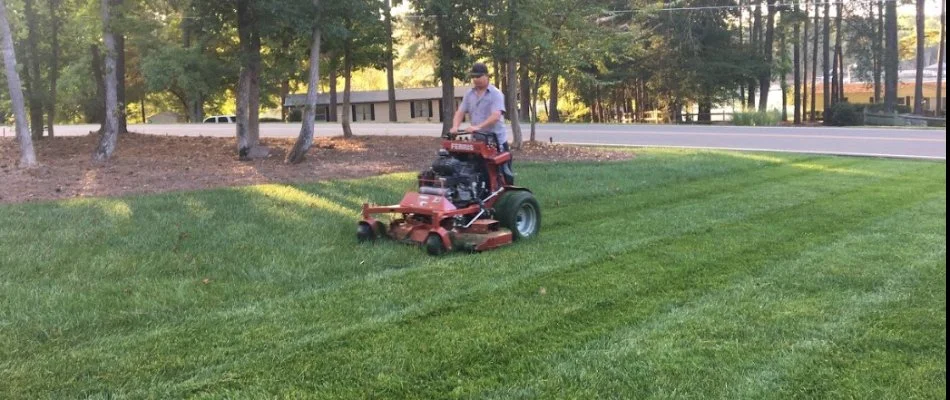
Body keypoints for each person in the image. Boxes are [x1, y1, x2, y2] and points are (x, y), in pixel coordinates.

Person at [450, 62, 515, 183]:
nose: (476, 79)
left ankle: (508, 197)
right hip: (478, 141)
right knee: (479, 172)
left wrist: (477, 127)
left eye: (479, 76)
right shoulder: (469, 94)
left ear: (486, 76)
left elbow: (496, 116)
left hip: (496, 142)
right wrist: (455, 127)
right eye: (474, 77)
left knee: (503, 176)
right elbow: (460, 112)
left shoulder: (496, 94)